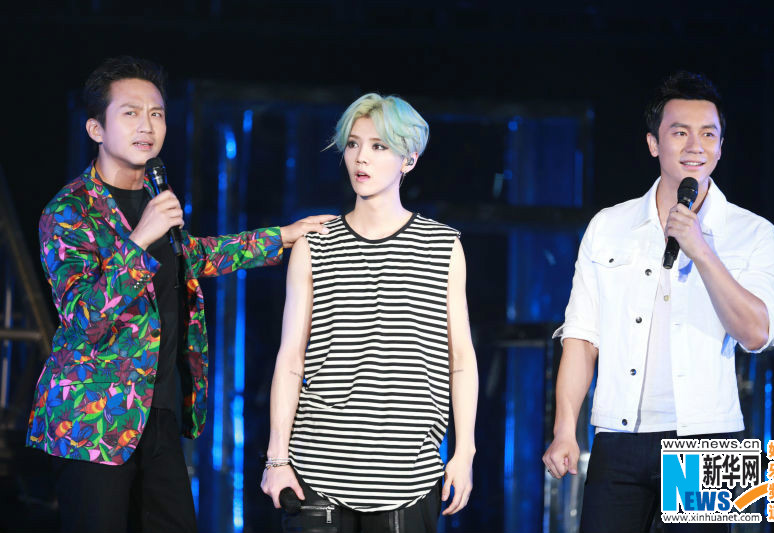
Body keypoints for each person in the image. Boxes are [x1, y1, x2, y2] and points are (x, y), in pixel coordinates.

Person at [25, 56, 332, 533]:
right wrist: (138, 240)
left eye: (157, 113)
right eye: (130, 113)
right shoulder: (68, 212)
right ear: (95, 128)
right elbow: (84, 317)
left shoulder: (155, 193)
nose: (147, 125)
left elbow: (194, 257)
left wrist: (284, 237)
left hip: (160, 412)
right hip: (92, 422)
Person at [542, 71, 774, 532]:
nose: (695, 146)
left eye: (708, 134)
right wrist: (565, 428)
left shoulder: (752, 231)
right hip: (618, 433)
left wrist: (701, 250)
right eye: (679, 133)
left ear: (721, 146)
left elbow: (758, 334)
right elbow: (582, 337)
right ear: (654, 143)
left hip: (711, 439)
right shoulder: (608, 226)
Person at [260, 93, 479, 532]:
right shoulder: (315, 244)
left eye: (379, 146)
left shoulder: (442, 246)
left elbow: (461, 359)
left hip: (409, 477)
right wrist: (277, 459)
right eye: (353, 144)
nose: (362, 157)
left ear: (408, 159)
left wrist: (465, 452)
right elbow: (291, 359)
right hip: (319, 471)